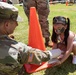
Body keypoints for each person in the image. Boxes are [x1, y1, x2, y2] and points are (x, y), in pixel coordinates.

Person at [0, 2, 61, 75]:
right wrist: (56, 52)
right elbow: (35, 55)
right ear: (6, 24)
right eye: (15, 22)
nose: (17, 24)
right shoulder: (16, 49)